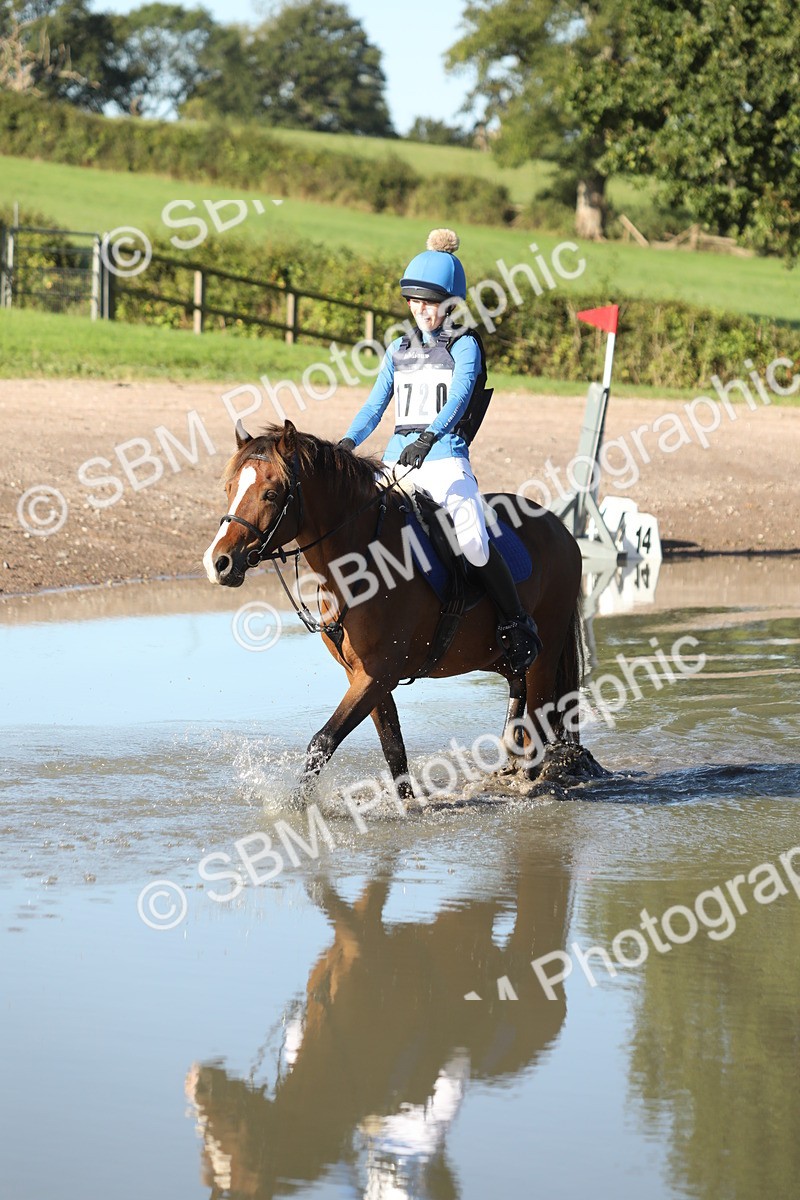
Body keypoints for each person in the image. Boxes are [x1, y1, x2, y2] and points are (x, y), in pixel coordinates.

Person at [339, 228, 542, 674]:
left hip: (445, 457)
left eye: (429, 303)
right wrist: (348, 443)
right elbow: (374, 406)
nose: (421, 310)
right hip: (398, 460)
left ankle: (516, 621)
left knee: (472, 540)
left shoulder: (465, 345)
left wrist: (428, 438)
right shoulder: (398, 349)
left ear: (450, 303)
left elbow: (460, 399)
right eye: (414, 302)